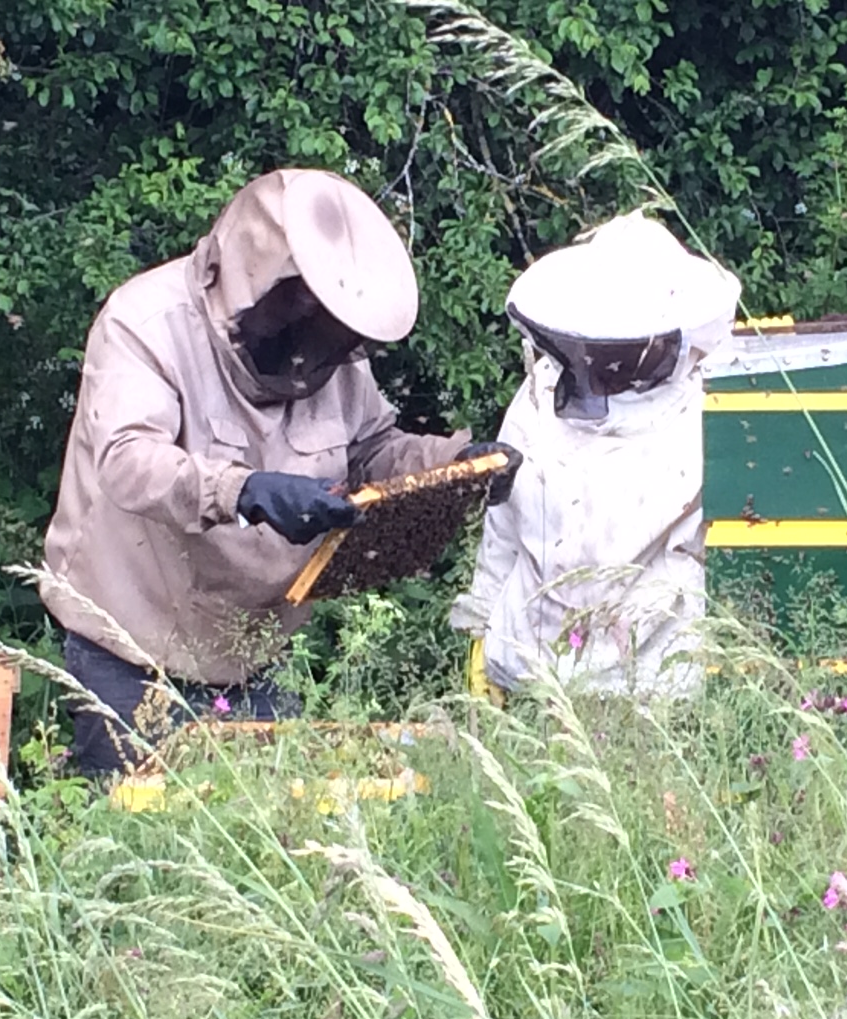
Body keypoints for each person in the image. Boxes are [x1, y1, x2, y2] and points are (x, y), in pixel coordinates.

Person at [40, 168, 522, 776]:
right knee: (134, 837)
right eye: (298, 313)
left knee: (269, 843)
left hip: (258, 651)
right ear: (253, 280)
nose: (312, 345)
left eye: (327, 330)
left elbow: (371, 449)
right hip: (132, 646)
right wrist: (245, 490)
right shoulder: (147, 323)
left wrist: (453, 463)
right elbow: (128, 459)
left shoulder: (330, 359)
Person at [450, 211, 741, 701]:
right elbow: (503, 525)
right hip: (528, 674)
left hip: (653, 687)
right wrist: (482, 623)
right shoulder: (541, 392)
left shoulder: (706, 408)